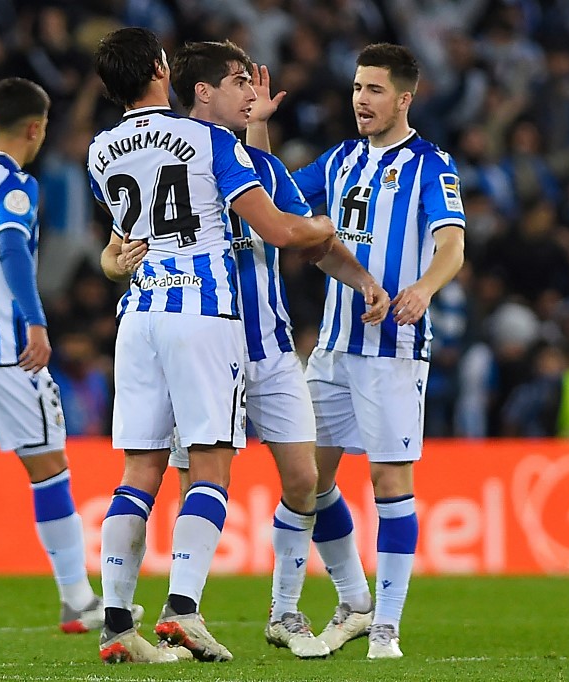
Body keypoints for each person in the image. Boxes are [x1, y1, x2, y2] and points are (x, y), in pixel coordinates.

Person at [90, 27, 336, 664]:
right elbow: (278, 230)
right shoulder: (208, 140)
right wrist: (326, 225)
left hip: (138, 314)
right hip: (203, 312)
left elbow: (123, 247)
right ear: (158, 69)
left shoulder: (100, 152)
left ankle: (117, 626)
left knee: (138, 473)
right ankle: (182, 611)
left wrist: (114, 265)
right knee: (211, 465)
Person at [163, 40, 390, 659]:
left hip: (269, 348)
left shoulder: (258, 166)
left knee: (304, 478)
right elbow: (298, 231)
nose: (249, 90)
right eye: (237, 81)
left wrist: (365, 280)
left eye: (249, 82)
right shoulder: (174, 164)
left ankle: (288, 613)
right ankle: (185, 614)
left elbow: (314, 247)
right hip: (205, 343)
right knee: (198, 483)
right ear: (205, 92)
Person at [250, 43, 466, 659]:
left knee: (388, 479)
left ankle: (386, 630)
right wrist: (261, 123)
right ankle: (346, 601)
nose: (360, 100)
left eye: (374, 90)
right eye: (355, 88)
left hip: (394, 347)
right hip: (334, 348)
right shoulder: (342, 158)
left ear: (404, 98)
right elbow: (275, 197)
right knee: (309, 481)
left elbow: (451, 241)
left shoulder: (431, 164)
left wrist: (424, 287)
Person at [0, 77, 133, 638]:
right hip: (1, 349)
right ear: (35, 127)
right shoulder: (16, 184)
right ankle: (78, 601)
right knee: (50, 469)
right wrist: (36, 320)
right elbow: (12, 247)